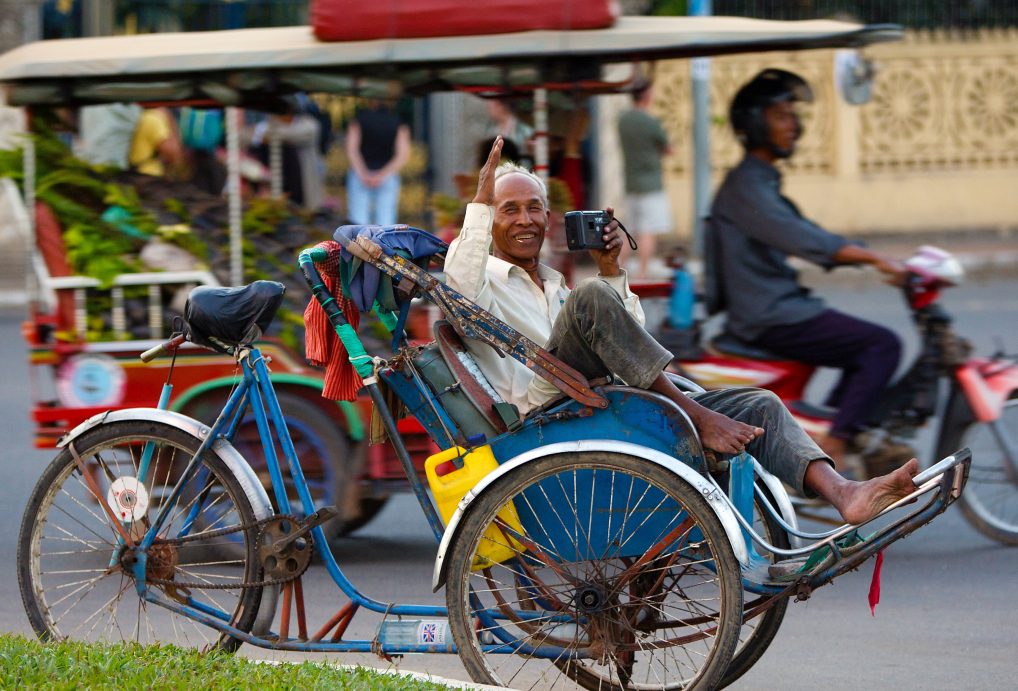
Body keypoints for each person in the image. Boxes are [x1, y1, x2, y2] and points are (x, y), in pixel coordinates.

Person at [444, 136, 919, 526]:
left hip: (595, 397)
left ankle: (843, 493)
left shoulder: (554, 284)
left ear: (549, 218)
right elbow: (458, 286)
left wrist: (611, 271)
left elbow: (627, 339)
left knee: (759, 403)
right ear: (490, 219)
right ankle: (694, 415)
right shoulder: (479, 282)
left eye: (534, 208)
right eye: (509, 210)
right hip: (544, 413)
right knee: (591, 300)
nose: (525, 220)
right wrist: (482, 202)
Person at [707, 69, 906, 474]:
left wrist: (865, 254)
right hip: (770, 315)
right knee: (881, 346)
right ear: (755, 124)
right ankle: (835, 447)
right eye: (782, 116)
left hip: (777, 307)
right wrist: (872, 260)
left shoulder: (758, 181)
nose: (794, 126)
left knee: (864, 348)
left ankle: (833, 428)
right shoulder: (746, 186)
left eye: (793, 116)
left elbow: (807, 232)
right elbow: (800, 237)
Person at [617, 80, 672, 279]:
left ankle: (617, 269)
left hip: (631, 181)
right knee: (648, 230)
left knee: (629, 229)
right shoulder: (651, 122)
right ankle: (642, 273)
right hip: (651, 182)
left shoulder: (623, 120)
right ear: (647, 95)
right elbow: (668, 148)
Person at [344, 100, 411, 226]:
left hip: (360, 176)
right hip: (387, 176)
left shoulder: (358, 120)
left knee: (358, 221)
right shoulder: (399, 123)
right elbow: (402, 155)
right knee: (386, 220)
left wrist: (362, 173)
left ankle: (358, 246)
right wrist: (382, 175)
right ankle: (384, 246)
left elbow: (352, 149)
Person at [128, 107, 183, 177]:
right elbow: (173, 154)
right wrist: (170, 120)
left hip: (135, 173)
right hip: (147, 176)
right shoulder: (153, 119)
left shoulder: (142, 115)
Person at [483, 99, 533, 166]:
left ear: (501, 106)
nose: (489, 111)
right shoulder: (491, 131)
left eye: (490, 108)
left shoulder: (524, 131)